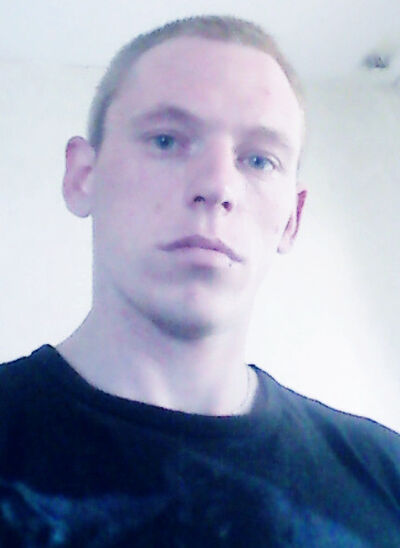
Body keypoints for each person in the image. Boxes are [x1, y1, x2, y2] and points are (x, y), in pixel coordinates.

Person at [0, 14, 399, 547]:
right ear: (83, 176)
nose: (217, 186)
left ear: (292, 218)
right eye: (167, 140)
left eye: (259, 160)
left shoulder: (387, 476)